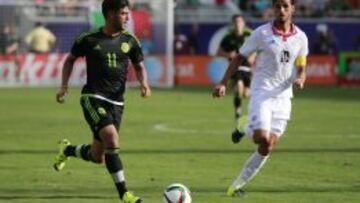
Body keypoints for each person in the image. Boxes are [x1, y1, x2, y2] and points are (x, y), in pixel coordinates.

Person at [53, 1, 151, 203]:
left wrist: (144, 84)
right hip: (93, 97)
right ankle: (125, 194)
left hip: (117, 103)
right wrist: (64, 86)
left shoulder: (130, 40)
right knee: (111, 138)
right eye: (124, 14)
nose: (128, 17)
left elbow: (139, 65)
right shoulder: (88, 39)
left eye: (127, 13)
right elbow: (70, 60)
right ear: (111, 14)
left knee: (98, 156)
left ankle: (67, 150)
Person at [213, 0, 308, 197]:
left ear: (292, 9)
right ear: (273, 8)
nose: (281, 10)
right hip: (262, 93)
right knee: (260, 138)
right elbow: (239, 57)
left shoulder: (300, 37)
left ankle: (236, 186)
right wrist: (223, 83)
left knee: (268, 146)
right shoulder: (261, 33)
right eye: (277, 6)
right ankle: (244, 124)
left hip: (283, 97)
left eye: (285, 6)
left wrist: (301, 77)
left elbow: (301, 65)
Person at [217, 14, 254, 138]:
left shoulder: (250, 34)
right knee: (239, 86)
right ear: (233, 24)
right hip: (235, 68)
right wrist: (228, 54)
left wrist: (253, 57)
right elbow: (218, 52)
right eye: (235, 22)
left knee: (246, 94)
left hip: (248, 69)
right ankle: (238, 115)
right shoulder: (228, 37)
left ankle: (246, 119)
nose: (238, 24)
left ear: (243, 23)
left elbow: (259, 49)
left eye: (240, 21)